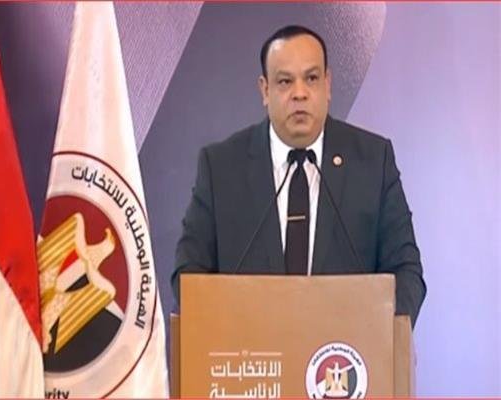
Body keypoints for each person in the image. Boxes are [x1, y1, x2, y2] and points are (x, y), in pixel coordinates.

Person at [172, 25, 426, 326]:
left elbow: (406, 271)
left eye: (312, 78)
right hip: (251, 349)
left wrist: (382, 334)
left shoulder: (372, 161)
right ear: (265, 90)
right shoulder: (221, 167)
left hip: (346, 350)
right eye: (285, 81)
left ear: (328, 85)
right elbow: (189, 274)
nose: (300, 93)